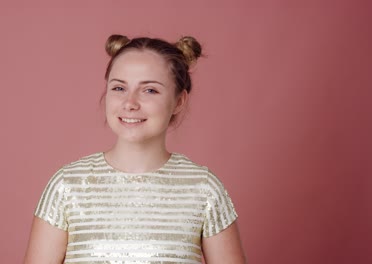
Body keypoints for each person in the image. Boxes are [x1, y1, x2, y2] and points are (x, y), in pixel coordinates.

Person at [24, 34, 246, 263]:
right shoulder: (67, 185)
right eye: (119, 88)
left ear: (179, 101)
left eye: (149, 90)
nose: (130, 103)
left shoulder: (204, 189)